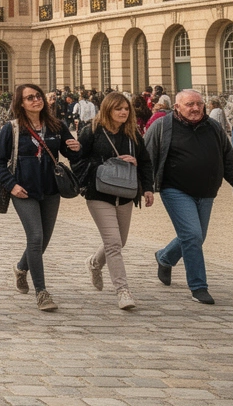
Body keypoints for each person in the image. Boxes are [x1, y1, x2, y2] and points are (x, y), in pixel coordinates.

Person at [148, 89, 233, 305]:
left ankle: (165, 257)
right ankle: (198, 286)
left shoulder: (213, 126)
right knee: (192, 235)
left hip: (207, 191)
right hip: (175, 189)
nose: (195, 108)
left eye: (199, 104)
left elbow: (228, 158)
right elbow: (147, 157)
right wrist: (145, 187)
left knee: (196, 236)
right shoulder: (162, 126)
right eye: (190, 104)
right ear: (177, 107)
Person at [0, 83, 81, 312]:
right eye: (30, 98)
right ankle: (41, 292)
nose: (36, 100)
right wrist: (11, 186)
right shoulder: (11, 129)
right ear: (21, 103)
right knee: (36, 236)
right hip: (24, 191)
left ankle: (21, 267)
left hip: (51, 189)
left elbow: (69, 153)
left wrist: (75, 147)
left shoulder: (56, 125)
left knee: (44, 240)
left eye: (38, 96)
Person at [71, 91, 154, 310]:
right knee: (114, 243)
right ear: (108, 109)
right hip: (99, 194)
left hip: (126, 194)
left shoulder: (133, 133)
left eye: (126, 109)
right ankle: (122, 291)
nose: (124, 112)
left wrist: (147, 188)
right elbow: (78, 162)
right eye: (119, 109)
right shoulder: (92, 132)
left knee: (119, 241)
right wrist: (107, 163)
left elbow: (145, 162)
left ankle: (94, 263)